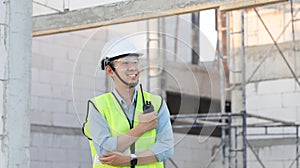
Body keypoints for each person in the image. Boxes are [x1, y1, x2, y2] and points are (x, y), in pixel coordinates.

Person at [82, 37, 174, 168]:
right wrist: (141, 128)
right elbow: (105, 151)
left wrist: (131, 160)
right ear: (110, 70)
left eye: (135, 62)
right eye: (125, 63)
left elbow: (166, 147)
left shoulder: (157, 103)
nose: (133, 68)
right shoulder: (98, 107)